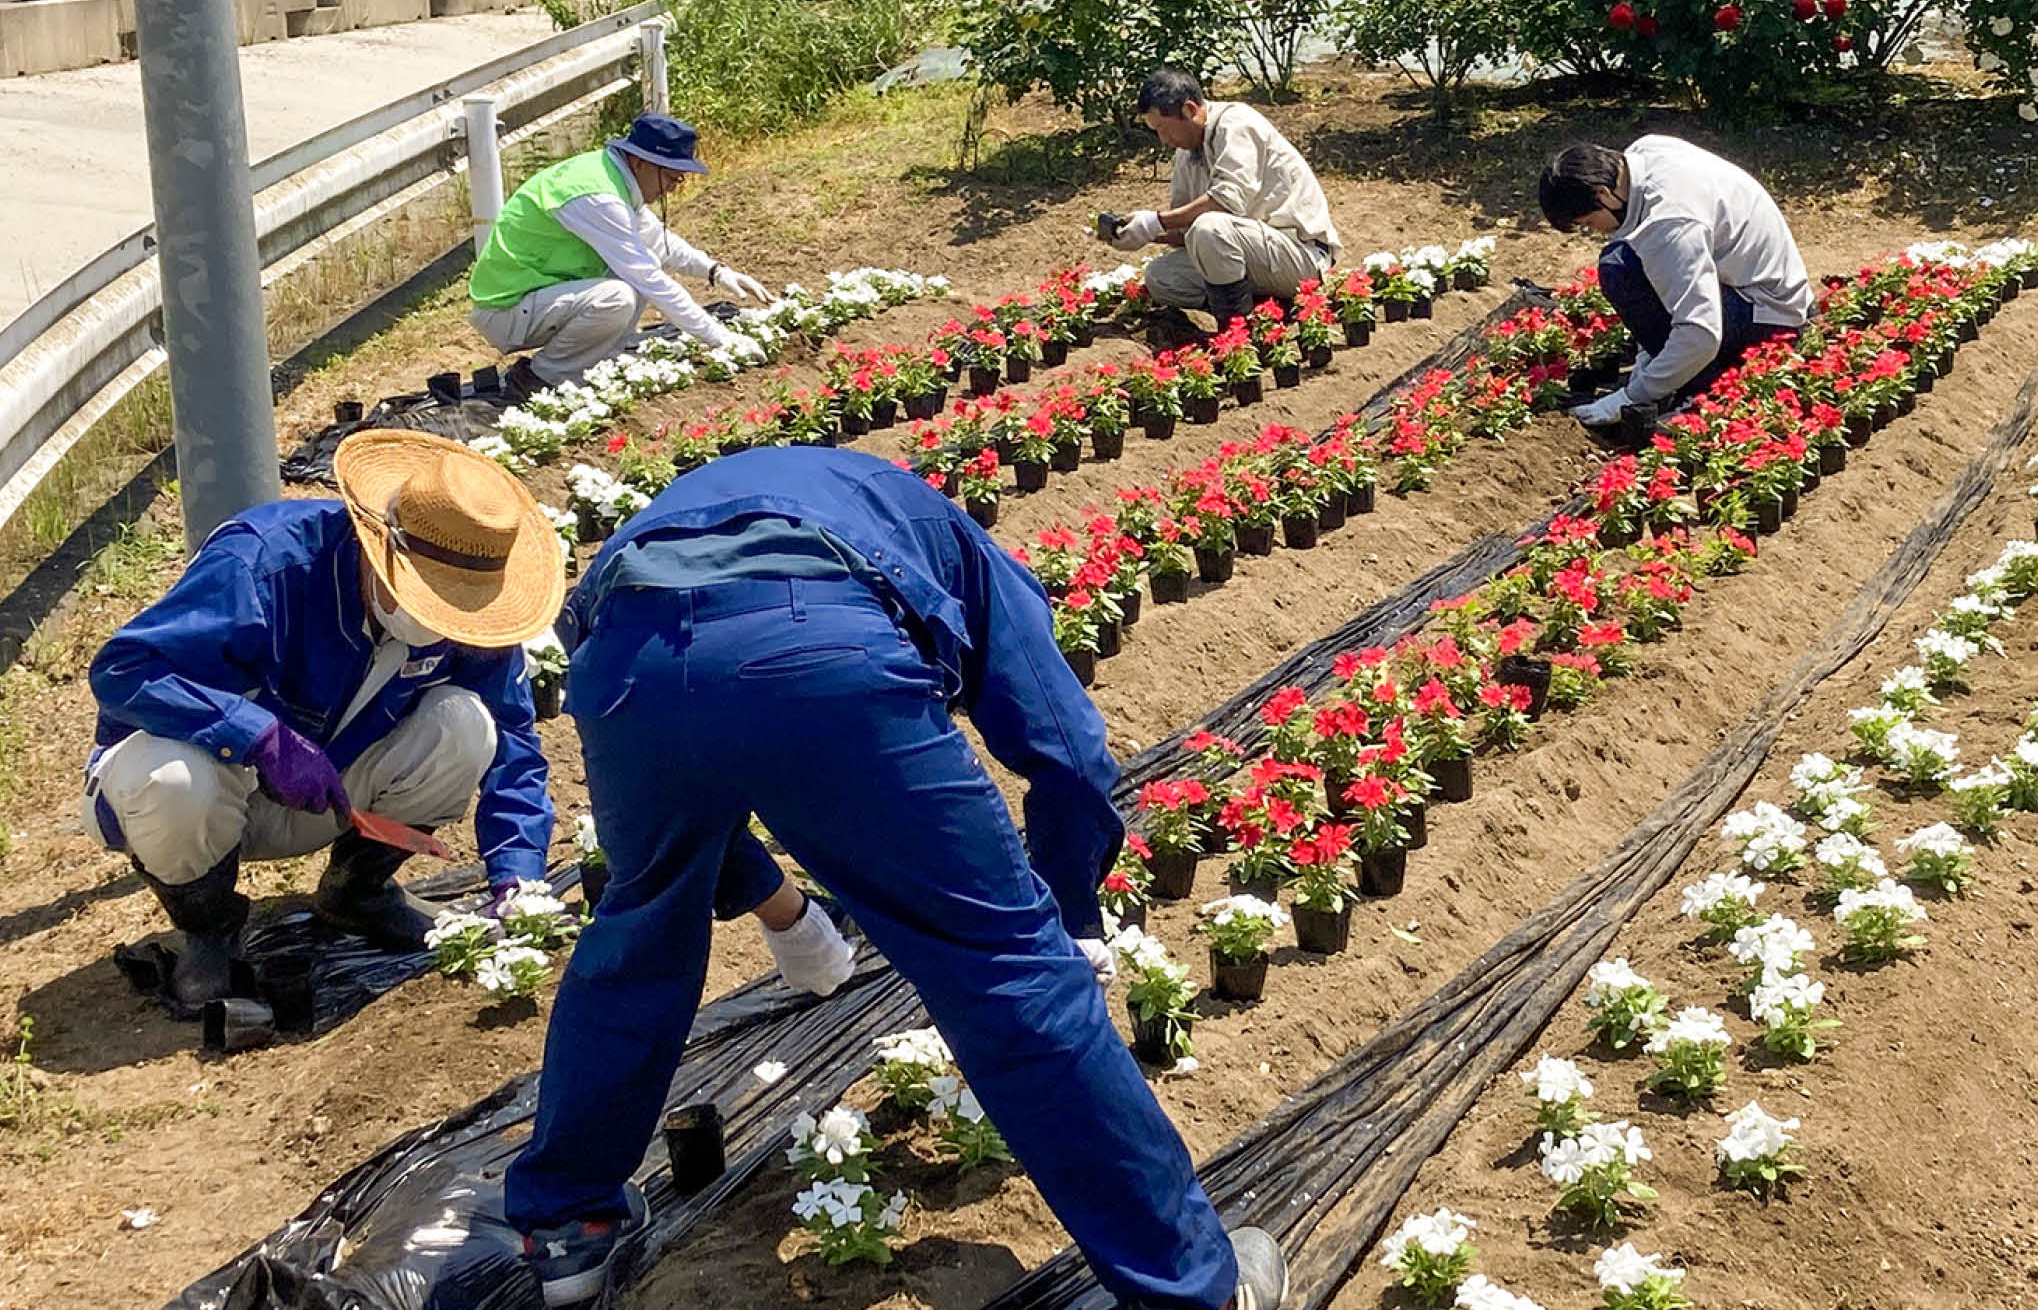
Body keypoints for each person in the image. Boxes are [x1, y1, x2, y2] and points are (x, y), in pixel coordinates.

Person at [501, 445, 1286, 1310]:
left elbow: (695, 739)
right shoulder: (939, 528)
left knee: (638, 933)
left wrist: (781, 909)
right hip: (821, 652)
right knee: (1002, 963)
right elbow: (1064, 748)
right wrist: (1066, 913)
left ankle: (570, 1227)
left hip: (625, 666)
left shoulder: (681, 513)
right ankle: (1194, 1291)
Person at [85, 432, 565, 1009]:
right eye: (428, 599)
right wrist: (255, 735)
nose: (443, 622)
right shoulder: (266, 564)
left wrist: (517, 875)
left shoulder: (475, 616)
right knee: (173, 779)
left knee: (467, 725)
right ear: (376, 547)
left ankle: (356, 892)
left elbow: (512, 737)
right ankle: (207, 930)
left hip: (325, 796)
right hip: (198, 795)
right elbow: (124, 670)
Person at [468, 111, 779, 396]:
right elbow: (648, 278)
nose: (673, 189)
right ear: (641, 162)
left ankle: (594, 363)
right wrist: (720, 339)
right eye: (671, 177)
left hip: (540, 299)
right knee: (618, 295)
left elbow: (658, 242)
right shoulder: (598, 197)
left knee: (635, 275)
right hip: (505, 309)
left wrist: (717, 271)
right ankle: (541, 379)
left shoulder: (611, 177)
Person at [1536, 137, 1814, 426]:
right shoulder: (1646, 152)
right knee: (1622, 259)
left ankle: (1701, 392)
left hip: (1770, 317)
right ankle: (1680, 375)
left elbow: (1701, 334)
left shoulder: (1669, 223)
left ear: (1603, 194)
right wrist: (1648, 350)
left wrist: (1631, 396)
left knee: (1618, 271)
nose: (1595, 231)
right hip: (1773, 287)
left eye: (1589, 223)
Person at [1106, 69, 1341, 326]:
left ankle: (1236, 333)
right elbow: (1187, 232)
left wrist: (1156, 222)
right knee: (1161, 277)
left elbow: (1225, 204)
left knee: (1210, 227)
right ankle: (1260, 307)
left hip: (1299, 255)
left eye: (1163, 128)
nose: (1163, 140)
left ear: (1189, 110)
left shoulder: (1235, 124)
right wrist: (1141, 233)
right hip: (1251, 255)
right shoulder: (1186, 153)